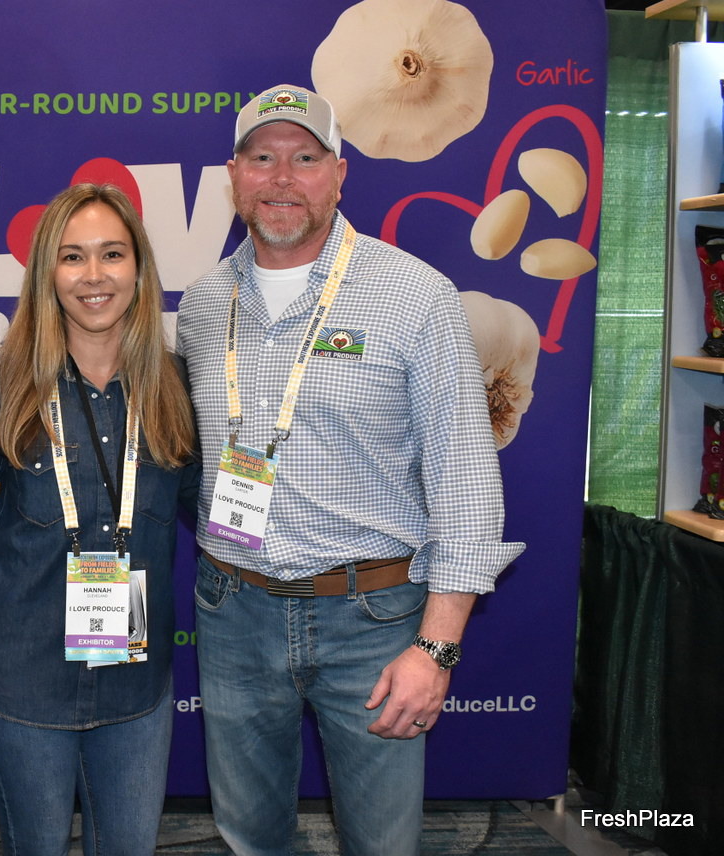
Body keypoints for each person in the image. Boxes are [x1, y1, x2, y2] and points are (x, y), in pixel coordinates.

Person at [175, 85, 525, 856]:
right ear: (234, 176)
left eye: (305, 158)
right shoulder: (202, 305)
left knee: (381, 842)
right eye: (262, 158)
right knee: (249, 835)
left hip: (372, 617)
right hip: (234, 609)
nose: (281, 178)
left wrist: (436, 648)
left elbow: (467, 479)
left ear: (339, 174)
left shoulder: (415, 295)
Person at [0, 183, 199, 854]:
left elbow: (211, 509)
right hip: (22, 679)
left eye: (112, 254)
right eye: (72, 256)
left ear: (138, 269)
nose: (94, 275)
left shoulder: (176, 385)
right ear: (47, 274)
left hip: (136, 683)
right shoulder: (1, 383)